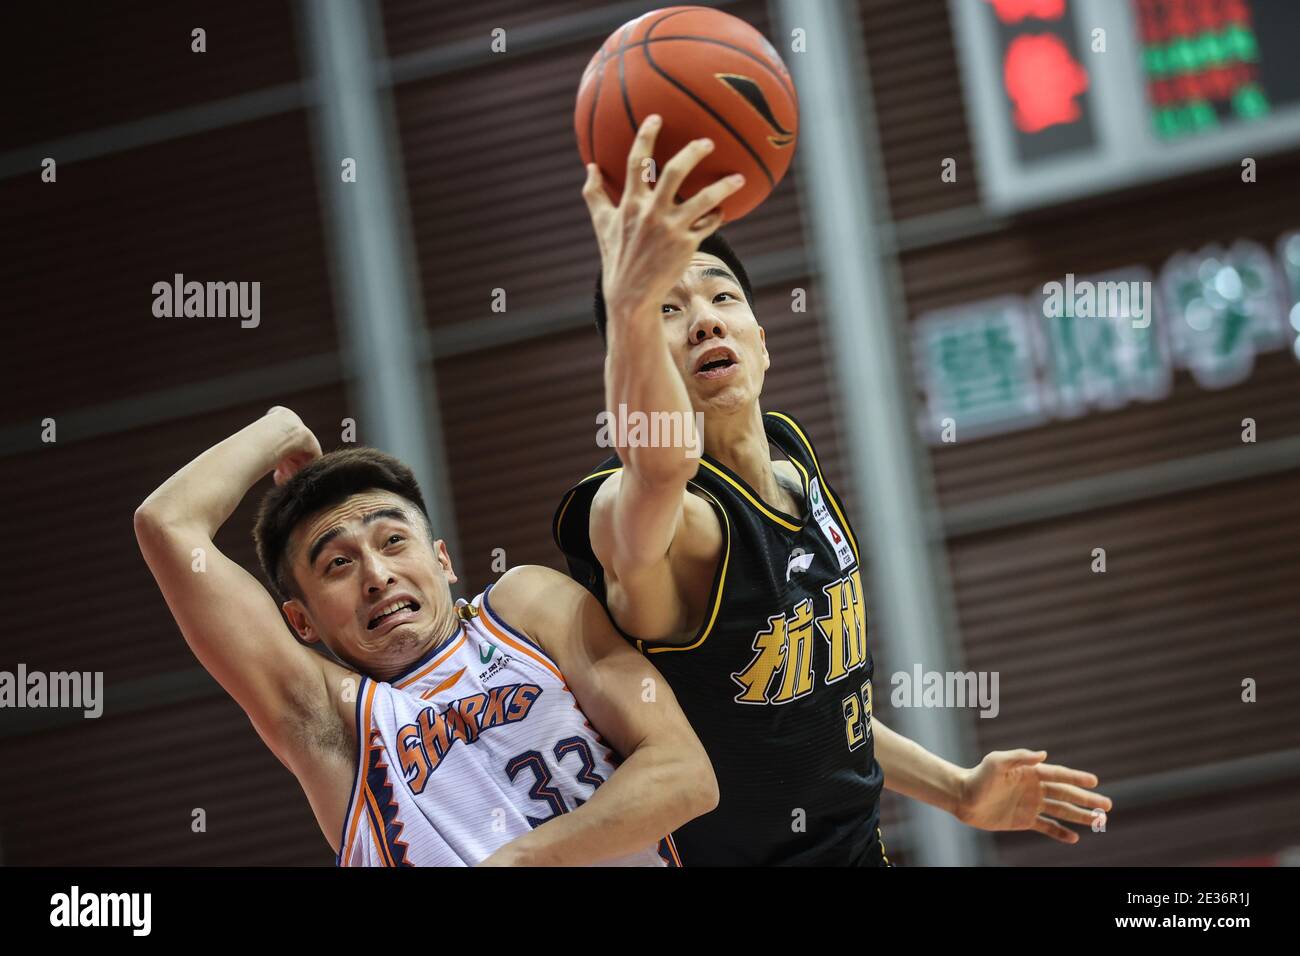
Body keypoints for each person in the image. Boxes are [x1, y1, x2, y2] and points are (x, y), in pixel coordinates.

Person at [554, 115, 1112, 865]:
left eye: (721, 298)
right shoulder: (660, 521)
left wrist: (957, 791)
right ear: (632, 363)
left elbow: (820, 704)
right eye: (668, 309)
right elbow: (659, 464)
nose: (702, 322)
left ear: (761, 335)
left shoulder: (794, 458)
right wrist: (626, 298)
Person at [134, 406, 716, 866]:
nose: (376, 575)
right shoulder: (333, 721)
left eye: (392, 542)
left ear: (442, 560)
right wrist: (279, 428)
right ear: (302, 622)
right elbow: (165, 523)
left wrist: (519, 861)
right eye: (337, 565)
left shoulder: (525, 606)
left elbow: (685, 776)